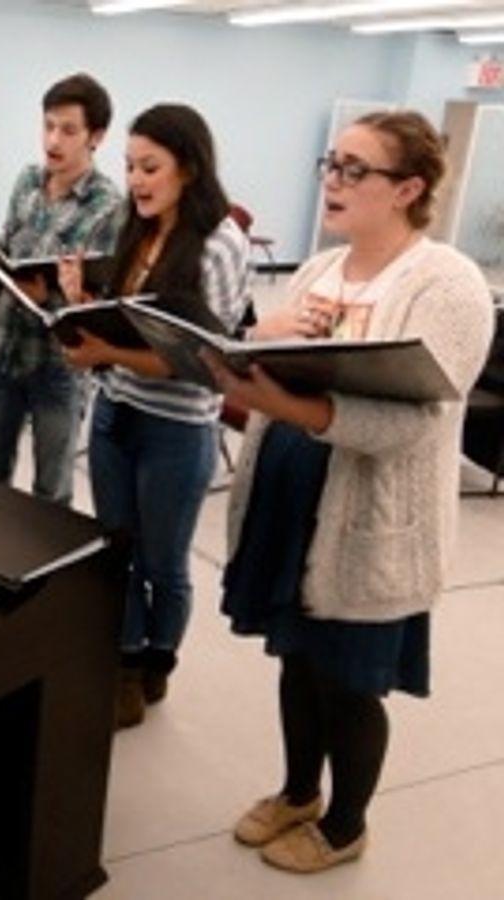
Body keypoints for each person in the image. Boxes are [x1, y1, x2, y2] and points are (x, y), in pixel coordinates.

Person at [214, 111, 493, 873]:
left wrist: (290, 406)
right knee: (296, 661)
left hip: (365, 523)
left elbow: (418, 428)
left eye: (354, 170)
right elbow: (279, 365)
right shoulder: (317, 270)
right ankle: (298, 791)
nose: (332, 182)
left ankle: (345, 825)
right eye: (330, 165)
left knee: (347, 682)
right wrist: (259, 342)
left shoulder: (446, 284)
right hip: (289, 503)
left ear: (408, 188)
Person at [58, 103, 250, 726]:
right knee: (119, 552)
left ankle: (155, 667)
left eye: (151, 167)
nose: (136, 181)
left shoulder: (220, 243)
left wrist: (105, 351)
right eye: (131, 166)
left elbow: (199, 359)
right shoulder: (132, 225)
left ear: (189, 168)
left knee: (164, 563)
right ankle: (126, 661)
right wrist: (76, 304)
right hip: (116, 410)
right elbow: (124, 316)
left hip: (177, 427)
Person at [0, 72, 124, 505]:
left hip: (59, 366)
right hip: (4, 348)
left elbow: (102, 300)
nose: (53, 139)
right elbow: (13, 246)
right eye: (48, 125)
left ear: (96, 136)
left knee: (51, 492)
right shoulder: (27, 181)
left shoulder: (109, 206)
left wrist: (52, 299)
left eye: (68, 130)